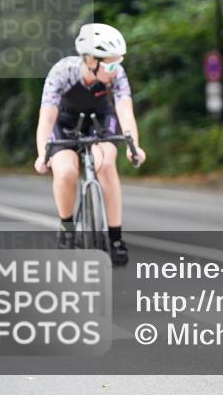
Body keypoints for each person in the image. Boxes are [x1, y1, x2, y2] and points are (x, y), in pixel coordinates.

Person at [34, 23, 146, 266]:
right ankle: (67, 227)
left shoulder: (117, 75)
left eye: (119, 63)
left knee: (106, 165)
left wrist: (134, 146)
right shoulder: (62, 73)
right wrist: (42, 152)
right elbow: (47, 117)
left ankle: (115, 239)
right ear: (91, 60)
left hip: (100, 120)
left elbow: (125, 111)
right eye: (111, 65)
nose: (116, 70)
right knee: (65, 172)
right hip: (64, 123)